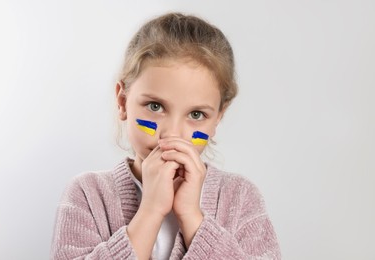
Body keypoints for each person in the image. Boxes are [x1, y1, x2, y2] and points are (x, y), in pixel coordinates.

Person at [50, 12, 281, 260]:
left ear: (218, 118)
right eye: (155, 106)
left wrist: (192, 217)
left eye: (196, 114)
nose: (172, 134)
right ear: (122, 101)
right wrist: (150, 210)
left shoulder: (241, 198)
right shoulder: (87, 194)